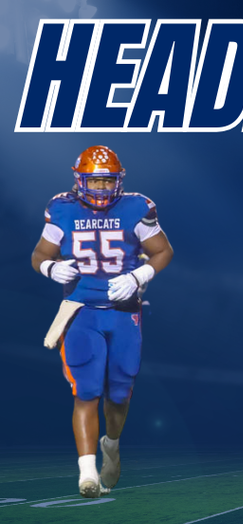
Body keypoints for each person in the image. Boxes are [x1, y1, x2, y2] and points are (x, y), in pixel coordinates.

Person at [31, 145, 173, 497]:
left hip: (124, 312)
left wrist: (139, 276)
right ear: (80, 180)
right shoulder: (61, 207)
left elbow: (163, 251)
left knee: (120, 394)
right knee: (86, 391)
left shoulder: (137, 207)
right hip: (80, 312)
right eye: (93, 181)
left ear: (118, 181)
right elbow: (40, 254)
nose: (99, 188)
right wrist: (50, 267)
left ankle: (112, 443)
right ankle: (87, 473)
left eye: (106, 181)